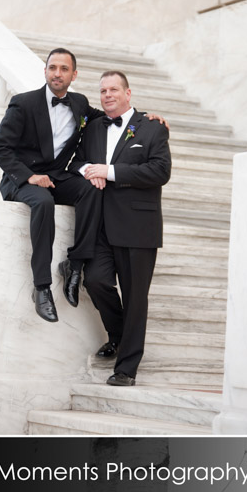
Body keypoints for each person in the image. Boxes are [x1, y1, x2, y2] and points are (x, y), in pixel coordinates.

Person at [0, 49, 168, 322]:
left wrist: (145, 120)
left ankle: (74, 264)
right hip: (22, 180)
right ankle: (41, 287)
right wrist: (29, 176)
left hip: (56, 176)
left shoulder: (79, 104)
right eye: (52, 68)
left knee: (91, 187)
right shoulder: (23, 104)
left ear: (74, 75)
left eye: (63, 69)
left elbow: (111, 115)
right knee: (43, 201)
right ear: (46, 71)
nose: (57, 73)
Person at [71, 71, 171, 386]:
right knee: (97, 281)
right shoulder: (95, 127)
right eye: (102, 91)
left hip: (137, 226)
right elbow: (76, 161)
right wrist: (90, 170)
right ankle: (118, 335)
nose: (107, 95)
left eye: (114, 89)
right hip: (100, 225)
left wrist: (111, 172)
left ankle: (126, 369)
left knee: (135, 297)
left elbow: (159, 171)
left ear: (129, 93)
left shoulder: (153, 127)